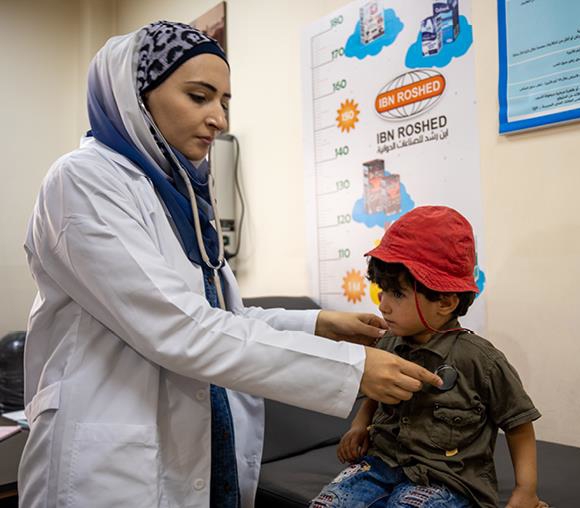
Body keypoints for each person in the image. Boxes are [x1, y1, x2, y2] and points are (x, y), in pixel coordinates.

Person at [18, 21, 442, 508]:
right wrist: (352, 369)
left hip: (198, 448)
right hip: (112, 465)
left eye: (224, 102)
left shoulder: (183, 194)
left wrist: (322, 323)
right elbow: (178, 327)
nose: (218, 119)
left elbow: (221, 315)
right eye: (199, 97)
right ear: (137, 96)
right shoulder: (83, 180)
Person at [311, 206, 548, 508]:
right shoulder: (387, 343)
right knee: (328, 504)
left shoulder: (481, 360)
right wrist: (360, 425)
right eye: (381, 291)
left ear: (446, 302)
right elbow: (376, 393)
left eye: (397, 294)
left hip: (447, 479)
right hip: (381, 465)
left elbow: (518, 424)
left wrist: (526, 490)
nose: (383, 305)